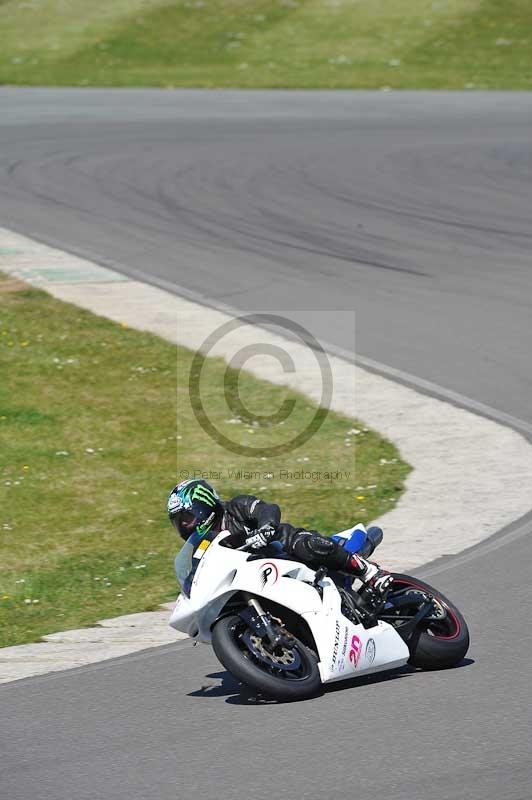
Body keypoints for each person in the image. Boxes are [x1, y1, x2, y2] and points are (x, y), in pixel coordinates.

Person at [167, 478, 392, 602]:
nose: (185, 526)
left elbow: (267, 509)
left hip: (286, 549)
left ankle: (370, 573)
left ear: (203, 504)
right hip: (261, 579)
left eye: (186, 517)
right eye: (178, 522)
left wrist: (266, 528)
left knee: (307, 545)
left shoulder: (236, 508)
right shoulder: (203, 546)